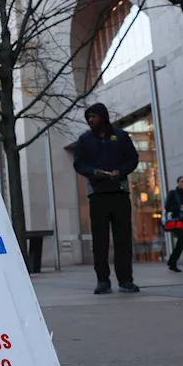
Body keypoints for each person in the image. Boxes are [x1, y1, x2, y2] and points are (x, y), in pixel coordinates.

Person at [73, 103, 140, 294]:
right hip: (97, 194)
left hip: (119, 192)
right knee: (100, 241)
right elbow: (78, 164)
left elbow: (133, 159)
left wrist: (121, 171)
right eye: (88, 117)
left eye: (93, 116)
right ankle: (103, 280)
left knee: (123, 239)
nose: (90, 120)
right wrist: (94, 172)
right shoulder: (84, 140)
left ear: (103, 116)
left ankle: (126, 280)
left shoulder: (120, 136)